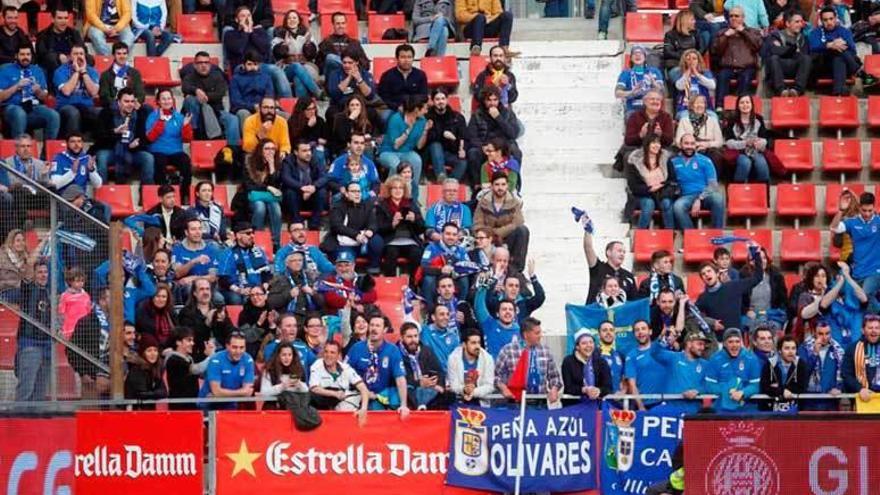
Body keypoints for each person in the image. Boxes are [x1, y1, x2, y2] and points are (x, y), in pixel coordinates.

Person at [345, 313, 410, 415]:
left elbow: (400, 378)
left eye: (378, 326)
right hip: (358, 394)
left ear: (385, 329)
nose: (373, 329)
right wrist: (362, 392)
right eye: (372, 325)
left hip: (381, 395)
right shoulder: (356, 348)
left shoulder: (392, 350)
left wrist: (404, 405)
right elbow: (344, 374)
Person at [696, 244, 764, 340]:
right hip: (718, 343)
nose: (707, 274)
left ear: (717, 273)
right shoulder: (703, 298)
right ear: (702, 279)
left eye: (709, 271)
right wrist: (711, 322)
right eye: (703, 274)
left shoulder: (733, 286)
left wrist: (756, 254)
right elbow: (693, 316)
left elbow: (757, 277)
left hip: (737, 340)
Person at [831, 192, 880, 313]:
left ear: (874, 207)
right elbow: (834, 228)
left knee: (865, 295)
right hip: (857, 271)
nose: (867, 214)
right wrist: (841, 210)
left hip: (875, 271)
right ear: (859, 208)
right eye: (864, 210)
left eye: (870, 210)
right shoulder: (852, 223)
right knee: (853, 298)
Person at [0, 44, 60, 142]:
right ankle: (19, 152)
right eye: (22, 54)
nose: (25, 57)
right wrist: (16, 86)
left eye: (28, 54)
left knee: (54, 115)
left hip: (33, 107)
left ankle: (46, 154)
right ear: (16, 56)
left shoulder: (38, 70)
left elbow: (44, 97)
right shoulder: (5, 70)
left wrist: (38, 90)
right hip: (12, 107)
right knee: (19, 114)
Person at [495, 317, 562, 403]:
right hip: (515, 403)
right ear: (526, 335)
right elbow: (496, 376)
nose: (541, 335)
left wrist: (554, 389)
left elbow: (554, 377)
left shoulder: (545, 351)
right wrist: (503, 388)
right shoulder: (508, 350)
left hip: (540, 404)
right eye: (537, 333)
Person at [181, 50, 241, 146]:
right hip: (197, 112)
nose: (203, 65)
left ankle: (233, 151)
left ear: (210, 64)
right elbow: (185, 87)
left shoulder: (217, 76)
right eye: (200, 63)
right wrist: (196, 90)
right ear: (194, 65)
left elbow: (220, 93)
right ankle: (195, 135)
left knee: (233, 119)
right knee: (190, 100)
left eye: (206, 62)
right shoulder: (189, 76)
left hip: (216, 110)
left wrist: (205, 96)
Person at [321, 181, 383, 273]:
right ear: (346, 193)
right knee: (345, 259)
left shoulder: (367, 205)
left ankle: (374, 269)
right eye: (353, 191)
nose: (357, 194)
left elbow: (373, 223)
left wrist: (370, 230)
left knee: (377, 241)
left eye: (359, 191)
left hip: (363, 241)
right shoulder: (338, 206)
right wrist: (356, 235)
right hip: (343, 242)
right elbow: (336, 226)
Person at [93, 87, 153, 183]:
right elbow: (98, 136)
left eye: (132, 101)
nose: (130, 105)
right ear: (119, 102)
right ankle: (102, 190)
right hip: (111, 149)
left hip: (132, 151)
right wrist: (115, 132)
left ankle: (147, 193)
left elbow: (143, 137)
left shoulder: (139, 114)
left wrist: (136, 144)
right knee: (102, 157)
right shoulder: (106, 113)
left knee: (148, 158)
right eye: (126, 101)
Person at [466, 86, 521, 188]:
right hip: (485, 145)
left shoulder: (507, 113)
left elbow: (513, 134)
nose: (492, 103)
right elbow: (471, 136)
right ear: (484, 101)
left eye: (495, 100)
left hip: (503, 146)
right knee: (473, 153)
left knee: (516, 152)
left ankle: (515, 185)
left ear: (499, 100)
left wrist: (498, 118)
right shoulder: (477, 114)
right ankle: (478, 185)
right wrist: (482, 146)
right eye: (489, 100)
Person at [473, 173, 529, 272]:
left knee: (523, 230)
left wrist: (499, 232)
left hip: (508, 238)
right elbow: (478, 223)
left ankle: (516, 270)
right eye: (497, 184)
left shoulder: (514, 201)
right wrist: (490, 234)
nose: (500, 188)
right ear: (492, 186)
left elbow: (518, 222)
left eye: (503, 184)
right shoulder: (483, 202)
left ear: (507, 185)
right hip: (489, 239)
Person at [378, 95, 428, 202]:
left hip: (407, 152)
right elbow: (396, 145)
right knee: (396, 165)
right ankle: (387, 196)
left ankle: (413, 198)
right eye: (424, 108)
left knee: (417, 161)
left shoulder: (422, 121)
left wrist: (425, 131)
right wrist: (408, 129)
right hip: (388, 151)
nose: (426, 111)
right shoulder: (396, 119)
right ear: (416, 109)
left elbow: (419, 146)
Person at [579, 213, 637, 303]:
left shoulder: (629, 276)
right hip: (597, 315)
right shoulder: (597, 268)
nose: (622, 254)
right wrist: (588, 230)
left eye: (624, 252)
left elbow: (634, 304)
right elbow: (588, 248)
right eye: (619, 251)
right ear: (608, 252)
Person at [671, 133, 725, 229]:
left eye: (692, 144)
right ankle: (692, 236)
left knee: (718, 198)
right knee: (678, 207)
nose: (689, 146)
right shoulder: (673, 162)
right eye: (686, 143)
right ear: (680, 145)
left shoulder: (705, 160)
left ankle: (716, 235)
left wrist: (699, 198)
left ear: (696, 145)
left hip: (705, 195)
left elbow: (713, 185)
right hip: (686, 196)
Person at [711, 6, 761, 109]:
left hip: (747, 67)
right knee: (722, 76)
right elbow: (715, 51)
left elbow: (758, 46)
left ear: (743, 18)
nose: (733, 18)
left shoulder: (752, 31)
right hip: (727, 67)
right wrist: (726, 36)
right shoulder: (722, 33)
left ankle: (741, 107)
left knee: (746, 76)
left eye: (737, 16)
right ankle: (720, 108)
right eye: (731, 16)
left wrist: (744, 32)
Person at [310, 340, 370, 421]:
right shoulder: (317, 365)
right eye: (326, 352)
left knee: (346, 406)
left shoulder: (346, 368)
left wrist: (364, 409)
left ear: (338, 355)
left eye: (332, 352)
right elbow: (314, 388)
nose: (328, 355)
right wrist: (335, 394)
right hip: (321, 403)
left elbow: (363, 388)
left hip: (344, 402)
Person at [705, 327, 762, 411]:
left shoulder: (751, 358)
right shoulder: (715, 359)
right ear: (724, 343)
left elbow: (756, 385)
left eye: (737, 341)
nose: (734, 345)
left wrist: (742, 392)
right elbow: (709, 385)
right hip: (721, 409)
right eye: (730, 342)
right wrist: (727, 390)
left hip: (747, 408)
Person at [241, 138, 283, 249]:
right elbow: (248, 185)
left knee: (276, 209)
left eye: (273, 149)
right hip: (251, 196)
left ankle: (276, 243)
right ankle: (256, 240)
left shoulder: (277, 162)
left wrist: (272, 166)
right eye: (267, 148)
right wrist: (268, 187)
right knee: (260, 207)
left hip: (269, 198)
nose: (270, 151)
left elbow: (277, 186)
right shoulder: (249, 161)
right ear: (260, 150)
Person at [627, 133, 676, 229]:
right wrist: (650, 189)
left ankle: (670, 233)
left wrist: (661, 186)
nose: (657, 145)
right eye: (653, 143)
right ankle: (640, 234)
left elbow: (672, 180)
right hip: (642, 195)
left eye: (658, 143)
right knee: (649, 204)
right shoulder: (635, 161)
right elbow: (633, 186)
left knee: (666, 203)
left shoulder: (665, 159)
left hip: (662, 193)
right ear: (646, 144)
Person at [810, 6, 861, 96]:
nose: (829, 22)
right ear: (821, 21)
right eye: (825, 20)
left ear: (836, 18)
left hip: (843, 65)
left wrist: (836, 46)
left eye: (831, 19)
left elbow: (853, 50)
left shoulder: (844, 31)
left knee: (838, 58)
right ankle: (857, 69)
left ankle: (838, 91)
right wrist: (829, 45)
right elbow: (813, 48)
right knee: (837, 53)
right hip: (823, 66)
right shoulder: (816, 32)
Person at [652, 331, 709, 412]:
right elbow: (654, 353)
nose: (702, 347)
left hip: (694, 411)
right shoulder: (673, 357)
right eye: (699, 344)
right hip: (672, 410)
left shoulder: (706, 364)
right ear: (689, 344)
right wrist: (664, 338)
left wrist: (698, 391)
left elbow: (710, 385)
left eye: (704, 345)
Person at [52, 43, 100, 138]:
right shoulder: (60, 71)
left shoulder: (92, 71)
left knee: (100, 112)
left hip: (86, 106)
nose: (79, 56)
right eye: (75, 54)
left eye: (81, 54)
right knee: (73, 113)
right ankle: (73, 144)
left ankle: (98, 146)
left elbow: (94, 92)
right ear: (69, 56)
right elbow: (67, 91)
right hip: (66, 106)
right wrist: (77, 72)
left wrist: (84, 72)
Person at [177, 278, 230, 362]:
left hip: (222, 352)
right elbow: (189, 337)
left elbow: (229, 332)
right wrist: (207, 323)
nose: (205, 292)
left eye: (207, 289)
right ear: (194, 293)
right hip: (199, 353)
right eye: (201, 289)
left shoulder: (219, 309)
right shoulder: (186, 312)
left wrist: (224, 322)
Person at [199, 331, 256, 409]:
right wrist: (241, 392)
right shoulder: (216, 360)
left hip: (231, 405)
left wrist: (220, 394)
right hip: (208, 406)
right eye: (234, 347)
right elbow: (216, 391)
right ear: (227, 346)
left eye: (242, 347)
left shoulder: (248, 360)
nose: (238, 351)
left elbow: (247, 393)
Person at [219, 221, 272, 305]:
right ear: (238, 235)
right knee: (236, 299)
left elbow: (266, 273)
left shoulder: (259, 251)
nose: (252, 236)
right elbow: (223, 279)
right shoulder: (228, 253)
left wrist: (263, 288)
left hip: (257, 289)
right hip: (237, 289)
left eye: (253, 233)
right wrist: (240, 290)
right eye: (248, 233)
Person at [272, 10, 321, 99]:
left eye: (294, 18)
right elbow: (276, 53)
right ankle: (317, 92)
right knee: (296, 66)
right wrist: (284, 45)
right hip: (287, 68)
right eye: (289, 18)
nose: (292, 20)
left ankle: (301, 105)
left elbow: (313, 54)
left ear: (299, 20)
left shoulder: (307, 34)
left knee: (298, 79)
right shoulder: (280, 34)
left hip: (306, 65)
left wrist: (307, 44)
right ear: (286, 21)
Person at [399, 322, 448, 410]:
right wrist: (418, 382)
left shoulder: (426, 350)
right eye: (409, 337)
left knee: (448, 396)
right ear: (402, 338)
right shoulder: (396, 353)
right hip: (409, 389)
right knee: (413, 391)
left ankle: (423, 405)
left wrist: (439, 384)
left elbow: (439, 371)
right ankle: (421, 405)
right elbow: (395, 378)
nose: (413, 340)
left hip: (430, 388)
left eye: (415, 336)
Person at [281, 140, 329, 229]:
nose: (308, 153)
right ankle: (297, 223)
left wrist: (313, 187)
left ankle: (314, 225)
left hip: (312, 196)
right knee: (289, 192)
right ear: (296, 152)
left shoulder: (316, 159)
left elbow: (324, 177)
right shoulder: (288, 161)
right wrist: (302, 188)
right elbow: (286, 178)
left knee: (322, 192)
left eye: (309, 150)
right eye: (304, 151)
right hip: (296, 196)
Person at [799, 319, 845, 411]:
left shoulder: (838, 350)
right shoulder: (804, 348)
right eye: (820, 334)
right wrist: (815, 353)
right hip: (809, 399)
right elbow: (803, 373)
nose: (824, 337)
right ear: (814, 333)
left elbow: (844, 373)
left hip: (830, 399)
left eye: (827, 333)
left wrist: (839, 388)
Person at [724, 94, 771, 183]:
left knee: (762, 164)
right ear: (738, 105)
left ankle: (760, 190)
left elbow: (764, 138)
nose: (745, 105)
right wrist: (745, 143)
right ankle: (738, 187)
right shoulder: (732, 120)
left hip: (755, 150)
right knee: (745, 163)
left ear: (752, 104)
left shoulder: (758, 119)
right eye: (742, 103)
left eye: (747, 102)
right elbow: (728, 142)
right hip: (738, 152)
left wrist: (759, 142)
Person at [165, 326, 215, 410]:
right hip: (179, 407)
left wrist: (206, 355)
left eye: (192, 340)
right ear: (178, 342)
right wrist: (211, 357)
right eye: (189, 340)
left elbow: (200, 374)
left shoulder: (188, 358)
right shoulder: (173, 359)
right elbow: (195, 370)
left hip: (191, 403)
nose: (192, 343)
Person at [619, 90, 674, 165]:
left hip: (659, 148)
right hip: (639, 148)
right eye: (652, 99)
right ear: (645, 102)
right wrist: (640, 135)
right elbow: (628, 140)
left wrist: (661, 134)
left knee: (669, 156)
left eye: (658, 99)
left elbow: (669, 140)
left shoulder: (666, 117)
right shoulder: (635, 116)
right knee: (629, 156)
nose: (655, 101)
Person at [764, 11, 811, 97]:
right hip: (779, 68)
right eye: (797, 22)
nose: (800, 24)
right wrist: (793, 50)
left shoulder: (803, 38)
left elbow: (803, 55)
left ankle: (797, 91)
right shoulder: (775, 35)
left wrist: (784, 50)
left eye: (801, 22)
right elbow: (774, 51)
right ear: (788, 23)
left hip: (796, 69)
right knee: (774, 58)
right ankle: (781, 91)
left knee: (806, 59)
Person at [425, 89, 467, 182]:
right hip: (431, 154)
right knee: (435, 145)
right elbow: (429, 138)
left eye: (443, 98)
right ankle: (441, 174)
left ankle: (448, 183)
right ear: (432, 101)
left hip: (450, 153)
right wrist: (443, 134)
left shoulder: (457, 117)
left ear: (447, 100)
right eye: (437, 99)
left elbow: (463, 136)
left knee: (463, 162)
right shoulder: (427, 117)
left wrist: (462, 149)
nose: (441, 102)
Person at [674, 94, 723, 172]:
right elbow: (678, 141)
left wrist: (707, 145)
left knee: (716, 156)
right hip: (689, 147)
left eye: (702, 103)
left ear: (705, 105)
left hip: (708, 148)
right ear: (691, 106)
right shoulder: (684, 120)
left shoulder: (712, 120)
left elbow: (720, 141)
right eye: (696, 103)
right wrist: (693, 145)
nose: (699, 105)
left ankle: (712, 180)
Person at [171, 217, 222, 293]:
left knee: (219, 299)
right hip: (186, 288)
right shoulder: (177, 249)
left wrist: (194, 278)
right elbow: (177, 274)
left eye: (199, 229)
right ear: (186, 232)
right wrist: (193, 262)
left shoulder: (211, 249)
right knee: (189, 289)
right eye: (193, 229)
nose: (197, 232)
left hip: (208, 287)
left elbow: (213, 277)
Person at [759, 335, 809, 411]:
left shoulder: (801, 364)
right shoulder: (770, 364)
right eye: (787, 348)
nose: (791, 352)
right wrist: (782, 391)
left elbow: (802, 387)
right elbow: (764, 387)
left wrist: (777, 387)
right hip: (771, 409)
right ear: (779, 350)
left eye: (793, 348)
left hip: (795, 409)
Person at [320, 250, 378, 314]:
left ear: (353, 265)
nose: (343, 269)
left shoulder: (361, 279)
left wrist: (358, 298)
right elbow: (331, 300)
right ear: (336, 267)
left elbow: (373, 295)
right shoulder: (330, 280)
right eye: (340, 266)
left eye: (347, 265)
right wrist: (352, 304)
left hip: (359, 314)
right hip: (338, 315)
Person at [447, 327, 495, 404]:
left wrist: (473, 392)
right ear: (464, 345)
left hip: (480, 403)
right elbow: (453, 385)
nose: (477, 346)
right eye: (473, 343)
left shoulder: (488, 359)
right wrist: (464, 389)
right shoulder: (453, 358)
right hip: (458, 403)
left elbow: (489, 386)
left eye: (479, 342)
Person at [327, 132, 381, 200]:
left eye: (362, 143)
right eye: (356, 143)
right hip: (344, 198)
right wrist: (341, 188)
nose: (359, 146)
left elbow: (376, 183)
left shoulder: (369, 163)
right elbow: (330, 181)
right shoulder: (339, 162)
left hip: (365, 199)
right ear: (349, 144)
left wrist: (371, 194)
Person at [378, 44, 428, 117]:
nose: (406, 60)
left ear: (413, 58)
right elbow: (383, 97)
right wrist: (397, 107)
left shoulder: (420, 75)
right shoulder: (387, 75)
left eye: (409, 57)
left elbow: (423, 95)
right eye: (403, 57)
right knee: (384, 117)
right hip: (393, 108)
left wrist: (412, 107)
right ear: (397, 58)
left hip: (415, 108)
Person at [49, 132, 103, 200]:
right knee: (75, 188)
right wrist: (72, 172)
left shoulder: (87, 159)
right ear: (67, 144)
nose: (76, 144)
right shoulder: (59, 158)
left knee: (105, 207)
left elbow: (98, 185)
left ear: (82, 143)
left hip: (82, 199)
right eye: (72, 142)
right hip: (64, 200)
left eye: (79, 141)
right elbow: (55, 184)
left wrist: (92, 171)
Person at [562, 330, 612, 404]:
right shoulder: (568, 362)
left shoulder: (601, 362)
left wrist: (599, 390)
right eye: (584, 343)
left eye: (591, 342)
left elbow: (608, 387)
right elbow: (569, 387)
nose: (588, 345)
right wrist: (584, 390)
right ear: (577, 346)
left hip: (596, 405)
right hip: (574, 406)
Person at [35, 8, 83, 84]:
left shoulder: (74, 33)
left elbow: (83, 50)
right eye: (60, 18)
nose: (63, 21)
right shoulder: (43, 35)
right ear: (53, 19)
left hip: (73, 64)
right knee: (51, 59)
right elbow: (42, 56)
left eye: (66, 18)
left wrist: (72, 57)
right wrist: (58, 56)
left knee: (89, 59)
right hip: (53, 68)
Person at [316, 12, 369, 80]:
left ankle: (350, 69)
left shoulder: (354, 43)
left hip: (350, 77)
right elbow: (318, 65)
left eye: (343, 23)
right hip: (332, 77)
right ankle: (350, 68)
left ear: (346, 24)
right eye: (338, 23)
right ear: (333, 24)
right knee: (330, 57)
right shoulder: (325, 43)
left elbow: (366, 64)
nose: (340, 26)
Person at [616, 46, 665, 118]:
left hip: (652, 107)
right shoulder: (626, 73)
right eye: (635, 53)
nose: (637, 55)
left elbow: (662, 91)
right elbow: (617, 93)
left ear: (645, 57)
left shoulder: (654, 71)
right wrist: (631, 92)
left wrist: (653, 83)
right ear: (631, 58)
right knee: (632, 117)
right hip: (633, 108)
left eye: (640, 53)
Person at [267, 250, 322, 315]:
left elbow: (322, 302)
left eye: (300, 260)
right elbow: (271, 302)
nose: (298, 263)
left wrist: (313, 293)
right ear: (287, 263)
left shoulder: (309, 277)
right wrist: (289, 295)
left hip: (309, 315)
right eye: (294, 260)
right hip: (289, 317)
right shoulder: (279, 279)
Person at [229, 50, 274, 129]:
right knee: (243, 113)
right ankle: (248, 139)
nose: (253, 67)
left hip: (263, 106)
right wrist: (253, 107)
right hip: (243, 108)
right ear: (243, 65)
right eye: (249, 64)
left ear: (259, 65)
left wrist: (262, 107)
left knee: (283, 115)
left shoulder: (266, 77)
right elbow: (236, 101)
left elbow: (269, 96)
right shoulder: (235, 79)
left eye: (255, 64)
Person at [475, 280, 520, 358]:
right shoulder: (489, 324)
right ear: (497, 313)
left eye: (510, 309)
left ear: (515, 314)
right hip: (491, 368)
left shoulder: (519, 331)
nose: (507, 312)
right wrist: (484, 286)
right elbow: (479, 306)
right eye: (504, 309)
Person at [327, 47, 376, 118]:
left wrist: (359, 79)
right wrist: (349, 77)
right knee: (331, 113)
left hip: (360, 106)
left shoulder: (365, 74)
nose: (346, 65)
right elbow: (334, 95)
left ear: (357, 62)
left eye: (350, 63)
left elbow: (370, 96)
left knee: (372, 113)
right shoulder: (335, 74)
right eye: (344, 62)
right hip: (341, 106)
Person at [124, 333, 167, 408]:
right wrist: (156, 394)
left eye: (155, 350)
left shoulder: (157, 368)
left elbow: (164, 392)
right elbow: (142, 394)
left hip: (149, 410)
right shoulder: (137, 369)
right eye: (149, 351)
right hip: (135, 411)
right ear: (143, 353)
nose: (153, 354)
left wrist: (154, 394)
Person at [329, 94, 378, 159]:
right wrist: (350, 119)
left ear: (361, 107)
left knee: (368, 149)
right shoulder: (340, 118)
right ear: (348, 107)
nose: (355, 107)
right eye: (352, 105)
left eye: (357, 105)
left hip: (361, 146)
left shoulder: (365, 118)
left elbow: (368, 134)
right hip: (344, 147)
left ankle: (366, 168)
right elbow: (342, 137)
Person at [472, 46, 519, 110]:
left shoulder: (510, 76)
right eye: (495, 56)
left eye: (501, 56)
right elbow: (477, 96)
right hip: (485, 113)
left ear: (504, 58)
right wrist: (491, 89)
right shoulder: (482, 75)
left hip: (505, 113)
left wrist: (507, 86)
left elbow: (513, 98)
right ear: (490, 58)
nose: (498, 58)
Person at [664, 11, 703, 83]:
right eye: (692, 20)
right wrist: (685, 57)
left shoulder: (696, 33)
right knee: (681, 77)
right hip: (676, 65)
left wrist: (692, 59)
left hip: (694, 66)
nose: (694, 22)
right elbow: (667, 52)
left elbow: (700, 50)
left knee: (707, 75)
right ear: (685, 21)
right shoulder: (670, 35)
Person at [672, 48, 715, 115]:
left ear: (698, 60)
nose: (691, 61)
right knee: (684, 116)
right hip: (685, 107)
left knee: (713, 117)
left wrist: (697, 74)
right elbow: (679, 86)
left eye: (694, 59)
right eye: (688, 59)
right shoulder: (679, 73)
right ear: (685, 61)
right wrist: (687, 73)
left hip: (704, 107)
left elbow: (712, 86)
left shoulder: (705, 73)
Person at [134, 282, 176, 347]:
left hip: (169, 347)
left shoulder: (170, 311)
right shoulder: (142, 311)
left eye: (164, 297)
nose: (161, 299)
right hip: (150, 348)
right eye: (157, 296)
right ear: (152, 297)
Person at [287, 97, 327, 165]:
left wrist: (317, 140)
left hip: (317, 147)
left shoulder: (320, 120)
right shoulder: (293, 122)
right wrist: (308, 127)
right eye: (309, 109)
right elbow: (294, 140)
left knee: (318, 153)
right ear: (302, 110)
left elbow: (325, 139)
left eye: (314, 108)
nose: (312, 111)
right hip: (299, 148)